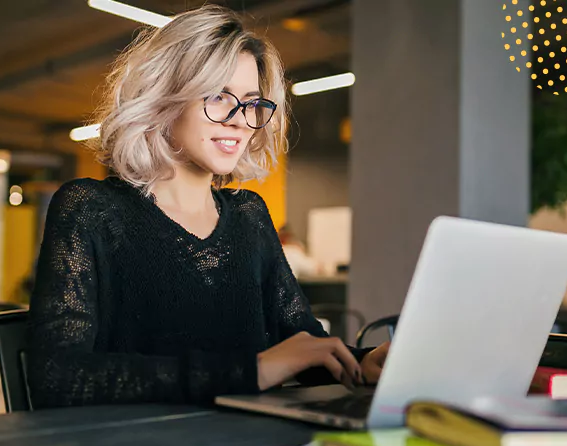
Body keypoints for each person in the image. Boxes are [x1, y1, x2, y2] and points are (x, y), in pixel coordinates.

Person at [25, 5, 389, 410]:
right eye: (218, 96)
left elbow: (300, 345)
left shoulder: (250, 215)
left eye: (252, 103)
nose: (239, 120)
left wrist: (361, 362)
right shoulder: (91, 209)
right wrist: (251, 371)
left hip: (251, 444)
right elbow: (57, 377)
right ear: (165, 99)